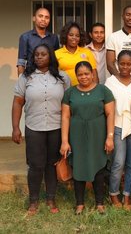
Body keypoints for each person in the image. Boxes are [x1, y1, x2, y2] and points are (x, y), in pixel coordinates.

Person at [12, 43, 70, 215]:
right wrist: (15, 127)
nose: (39, 57)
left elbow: (68, 105)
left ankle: (51, 199)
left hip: (56, 127)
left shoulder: (62, 77)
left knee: (52, 165)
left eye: (43, 54)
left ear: (50, 56)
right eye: (36, 55)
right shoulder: (25, 77)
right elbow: (17, 103)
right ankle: (33, 201)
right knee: (36, 165)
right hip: (34, 127)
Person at [60, 61, 115, 215]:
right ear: (76, 76)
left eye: (86, 73)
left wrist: (110, 137)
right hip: (76, 136)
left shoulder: (103, 91)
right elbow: (65, 117)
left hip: (98, 135)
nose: (83, 77)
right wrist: (65, 141)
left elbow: (110, 114)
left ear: (92, 74)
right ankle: (80, 203)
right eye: (80, 74)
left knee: (98, 167)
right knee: (78, 167)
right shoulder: (70, 93)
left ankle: (99, 203)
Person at [105, 50, 131, 210]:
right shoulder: (110, 82)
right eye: (122, 63)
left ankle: (127, 195)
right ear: (117, 64)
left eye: (128, 64)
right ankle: (113, 194)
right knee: (118, 163)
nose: (125, 67)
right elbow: (107, 108)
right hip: (117, 126)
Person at [17, 7, 60, 75]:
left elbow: (56, 60)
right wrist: (21, 82)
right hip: (31, 76)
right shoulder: (25, 37)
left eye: (47, 17)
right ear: (34, 18)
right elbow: (21, 63)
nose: (43, 19)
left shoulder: (54, 38)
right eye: (40, 16)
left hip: (50, 76)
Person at [55, 21, 98, 86]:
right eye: (71, 35)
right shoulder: (56, 54)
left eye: (77, 35)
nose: (74, 37)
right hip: (65, 91)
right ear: (65, 35)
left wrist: (95, 90)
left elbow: (94, 74)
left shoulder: (87, 52)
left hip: (85, 90)